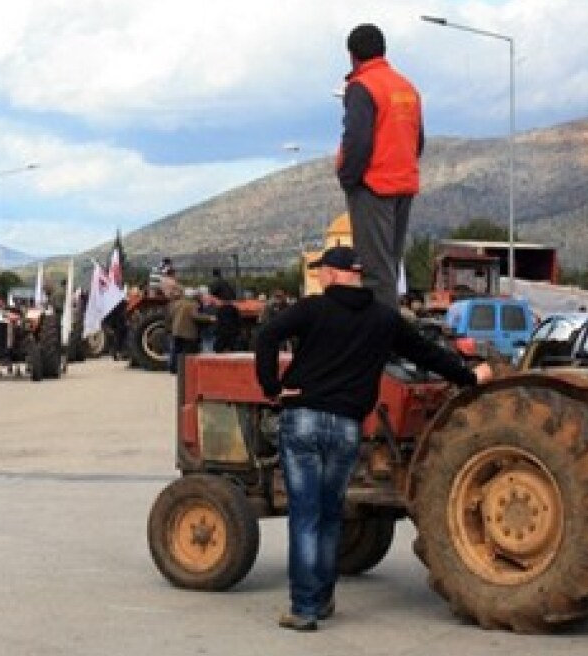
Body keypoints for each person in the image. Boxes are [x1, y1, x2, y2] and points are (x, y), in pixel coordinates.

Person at [254, 245, 492, 631]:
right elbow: (427, 353)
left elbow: (267, 335)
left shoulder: (313, 308)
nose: (320, 277)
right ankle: (324, 598)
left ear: (333, 274)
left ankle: (304, 608)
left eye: (322, 272)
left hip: (304, 419)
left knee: (304, 516)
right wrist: (469, 376)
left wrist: (271, 387)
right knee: (331, 515)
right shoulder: (384, 319)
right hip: (348, 427)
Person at [337, 23, 424, 308]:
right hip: (403, 186)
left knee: (376, 274)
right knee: (390, 266)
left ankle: (380, 344)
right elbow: (418, 140)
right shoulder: (407, 87)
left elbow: (357, 140)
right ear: (383, 50)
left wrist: (349, 179)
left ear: (352, 55)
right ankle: (389, 336)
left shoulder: (362, 86)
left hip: (373, 187)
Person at [166, 286, 201, 374]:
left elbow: (170, 315)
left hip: (176, 330)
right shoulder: (193, 304)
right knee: (186, 351)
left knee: (175, 350)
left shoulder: (176, 303)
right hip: (187, 332)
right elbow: (195, 316)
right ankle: (184, 369)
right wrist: (210, 318)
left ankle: (172, 368)